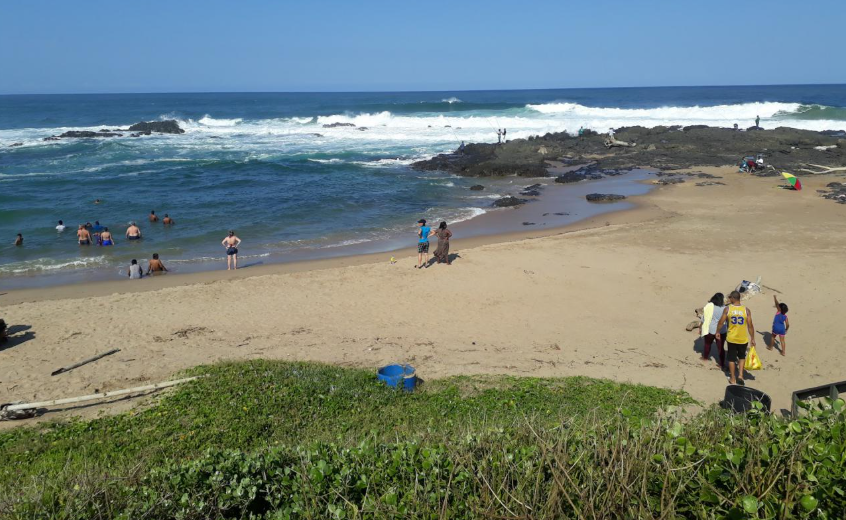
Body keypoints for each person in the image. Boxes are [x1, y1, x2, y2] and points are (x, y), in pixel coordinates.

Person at [716, 291, 756, 386]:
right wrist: (752, 338)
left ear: (733, 298)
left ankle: (733, 378)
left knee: (731, 359)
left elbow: (721, 322)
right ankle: (740, 376)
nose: (729, 299)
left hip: (732, 338)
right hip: (743, 339)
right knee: (742, 357)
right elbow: (750, 325)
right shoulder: (746, 310)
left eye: (730, 297)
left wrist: (717, 331)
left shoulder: (727, 309)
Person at [700, 293, 727, 366]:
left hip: (711, 329)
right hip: (722, 330)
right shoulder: (725, 308)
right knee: (721, 348)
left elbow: (703, 319)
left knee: (707, 344)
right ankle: (722, 364)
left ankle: (705, 358)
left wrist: (700, 327)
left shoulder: (709, 307)